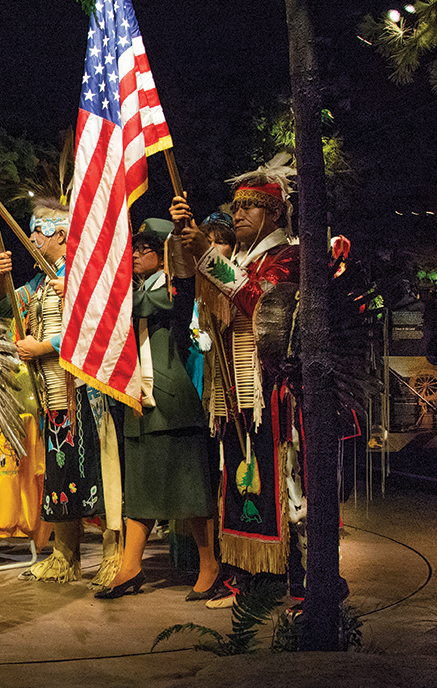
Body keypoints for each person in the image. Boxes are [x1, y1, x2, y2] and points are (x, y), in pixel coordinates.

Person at [170, 154, 302, 606]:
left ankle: (282, 577)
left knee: (276, 483)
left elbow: (259, 299)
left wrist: (206, 255)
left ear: (276, 212)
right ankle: (245, 572)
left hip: (271, 393)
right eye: (236, 205)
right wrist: (186, 241)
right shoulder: (242, 257)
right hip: (233, 391)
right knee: (238, 479)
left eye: (250, 206)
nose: (238, 214)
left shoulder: (290, 256)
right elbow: (194, 282)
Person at [0, 198, 122, 586]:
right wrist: (2, 277)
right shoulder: (39, 282)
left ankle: (114, 555)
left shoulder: (82, 277)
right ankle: (66, 555)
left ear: (59, 234)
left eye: (37, 232)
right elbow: (6, 305)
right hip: (53, 394)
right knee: (62, 472)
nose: (31, 239)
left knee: (98, 470)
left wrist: (45, 348)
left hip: (87, 391)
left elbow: (96, 325)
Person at [96, 219, 221, 601]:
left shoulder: (174, 289)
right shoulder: (136, 290)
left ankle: (210, 565)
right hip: (139, 401)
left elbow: (137, 306)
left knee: (190, 493)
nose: (135, 254)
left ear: (164, 252)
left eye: (144, 248)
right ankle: (131, 566)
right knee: (141, 489)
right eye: (133, 248)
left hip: (171, 402)